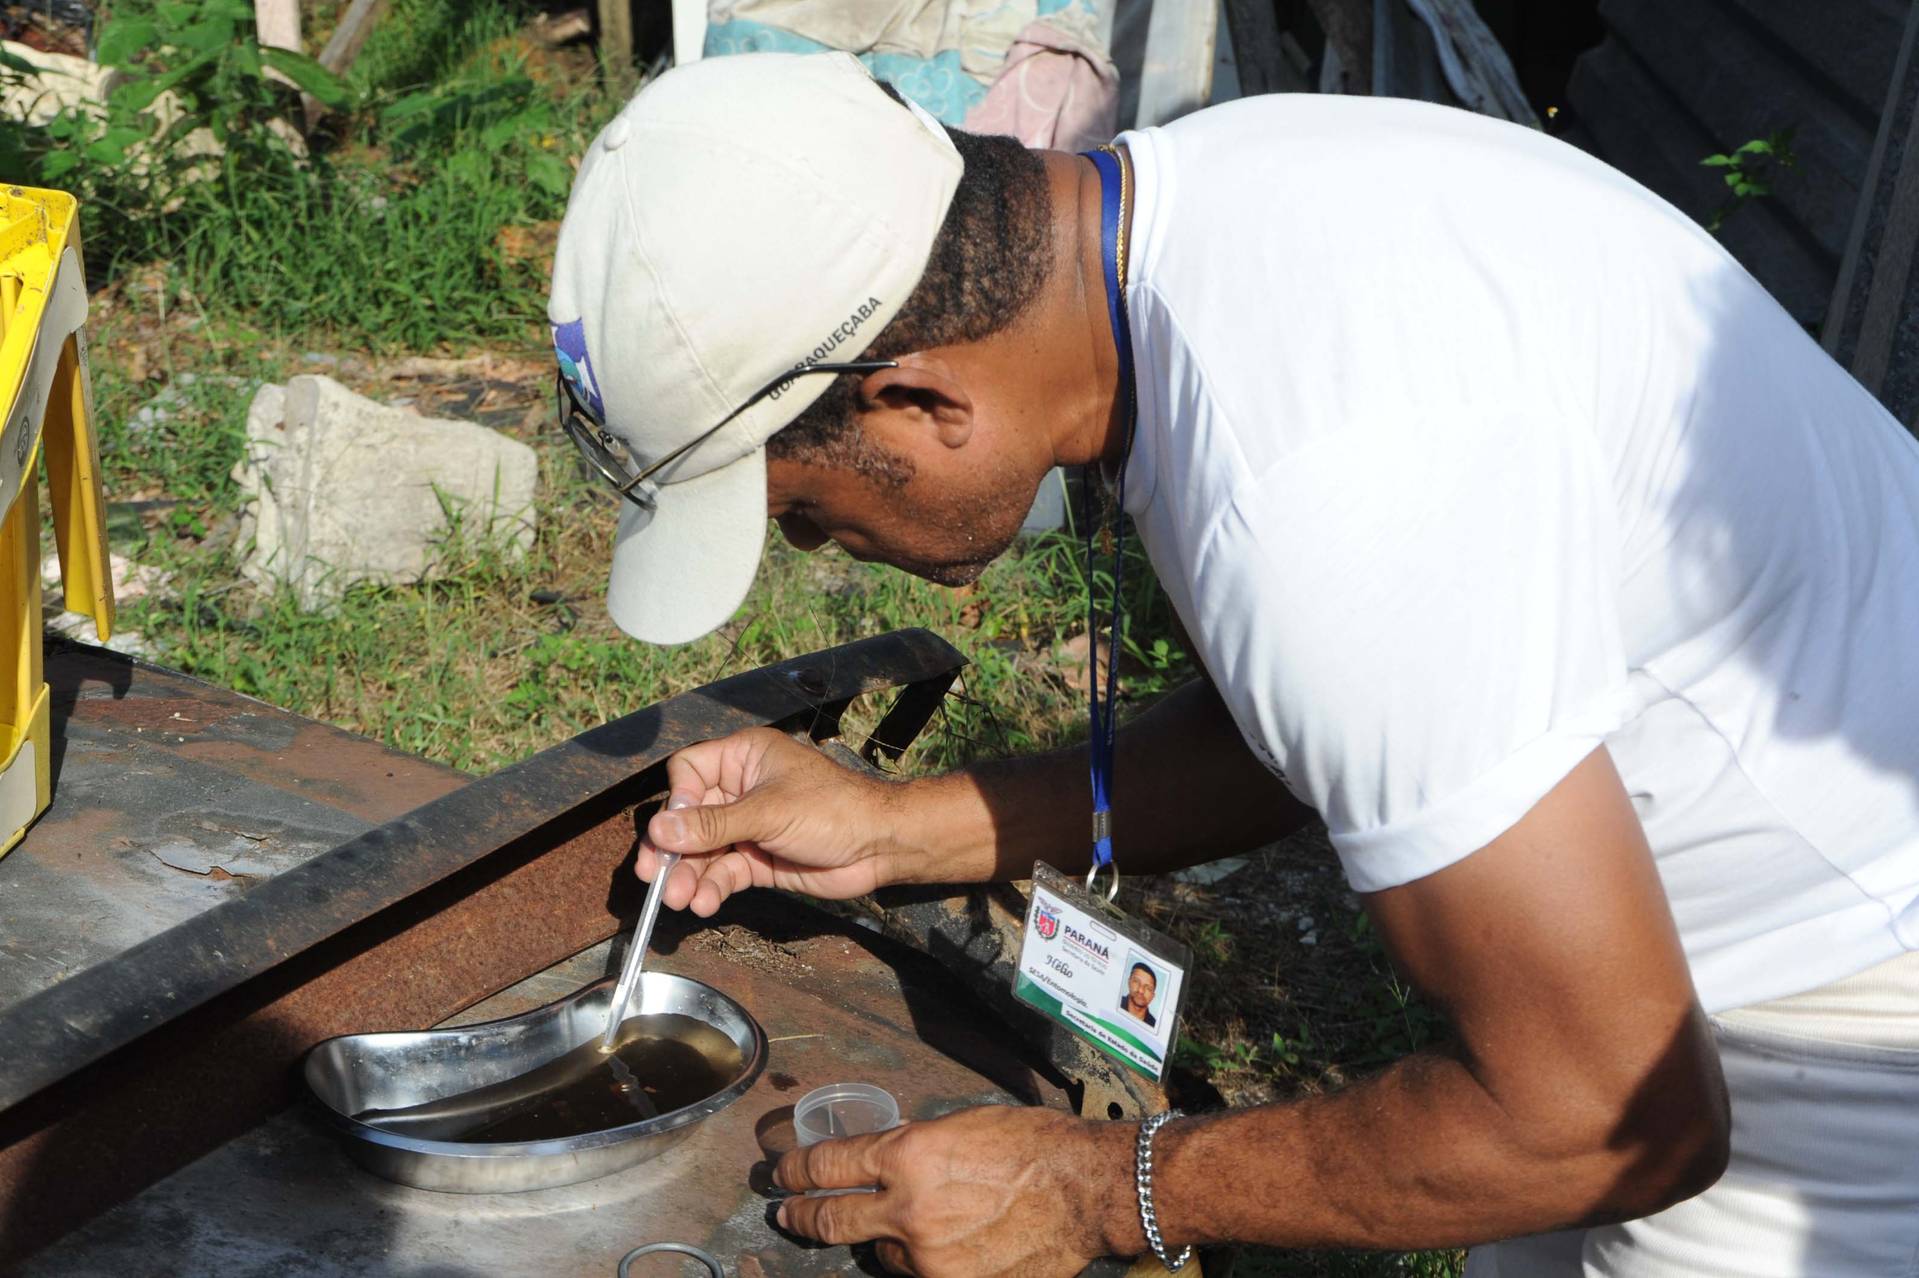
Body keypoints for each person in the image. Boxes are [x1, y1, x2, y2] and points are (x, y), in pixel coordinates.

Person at [546, 50, 1919, 1278]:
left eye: (799, 508)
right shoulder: (1194, 225)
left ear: (916, 394)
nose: (824, 547)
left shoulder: (1322, 484)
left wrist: (1087, 1186)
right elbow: (1299, 729)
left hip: (1840, 991)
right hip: (1642, 959)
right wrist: (893, 827)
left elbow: (1612, 1122)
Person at [1121, 963, 1158, 1028]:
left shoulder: (1154, 1026)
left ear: (1152, 996)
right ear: (1129, 982)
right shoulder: (1113, 1001)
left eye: (1148, 988)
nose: (1141, 990)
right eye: (1136, 981)